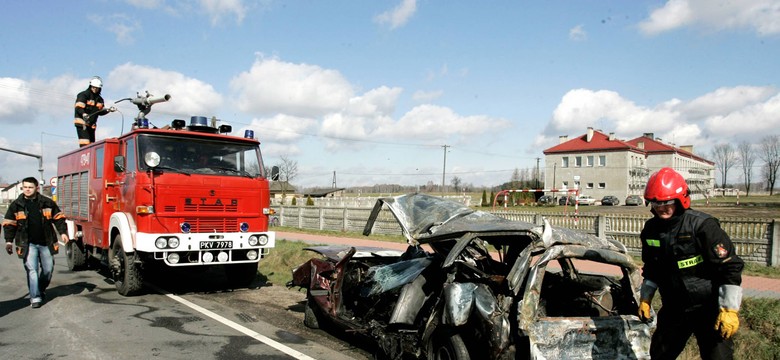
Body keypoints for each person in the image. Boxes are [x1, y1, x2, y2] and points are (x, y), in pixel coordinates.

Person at [638, 167, 744, 359]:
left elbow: (729, 267)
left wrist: (729, 309)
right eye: (656, 202)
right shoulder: (651, 230)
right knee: (659, 355)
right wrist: (645, 298)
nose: (661, 207)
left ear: (680, 200)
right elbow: (652, 269)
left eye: (667, 202)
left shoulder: (703, 226)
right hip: (674, 308)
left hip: (709, 309)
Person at [3, 177, 69, 308]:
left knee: (48, 270)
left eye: (30, 187)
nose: (27, 190)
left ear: (36, 188)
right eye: (25, 187)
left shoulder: (47, 203)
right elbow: (9, 224)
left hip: (46, 242)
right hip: (27, 244)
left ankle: (40, 288)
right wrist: (9, 242)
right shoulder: (16, 205)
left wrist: (63, 232)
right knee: (32, 270)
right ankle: (35, 297)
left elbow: (59, 218)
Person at [74, 76, 115, 147]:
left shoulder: (100, 99)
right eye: (93, 87)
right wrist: (83, 114)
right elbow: (78, 107)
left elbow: (100, 112)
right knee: (85, 144)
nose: (95, 89)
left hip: (92, 125)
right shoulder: (83, 95)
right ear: (90, 86)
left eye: (97, 88)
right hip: (82, 123)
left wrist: (108, 110)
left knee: (92, 145)